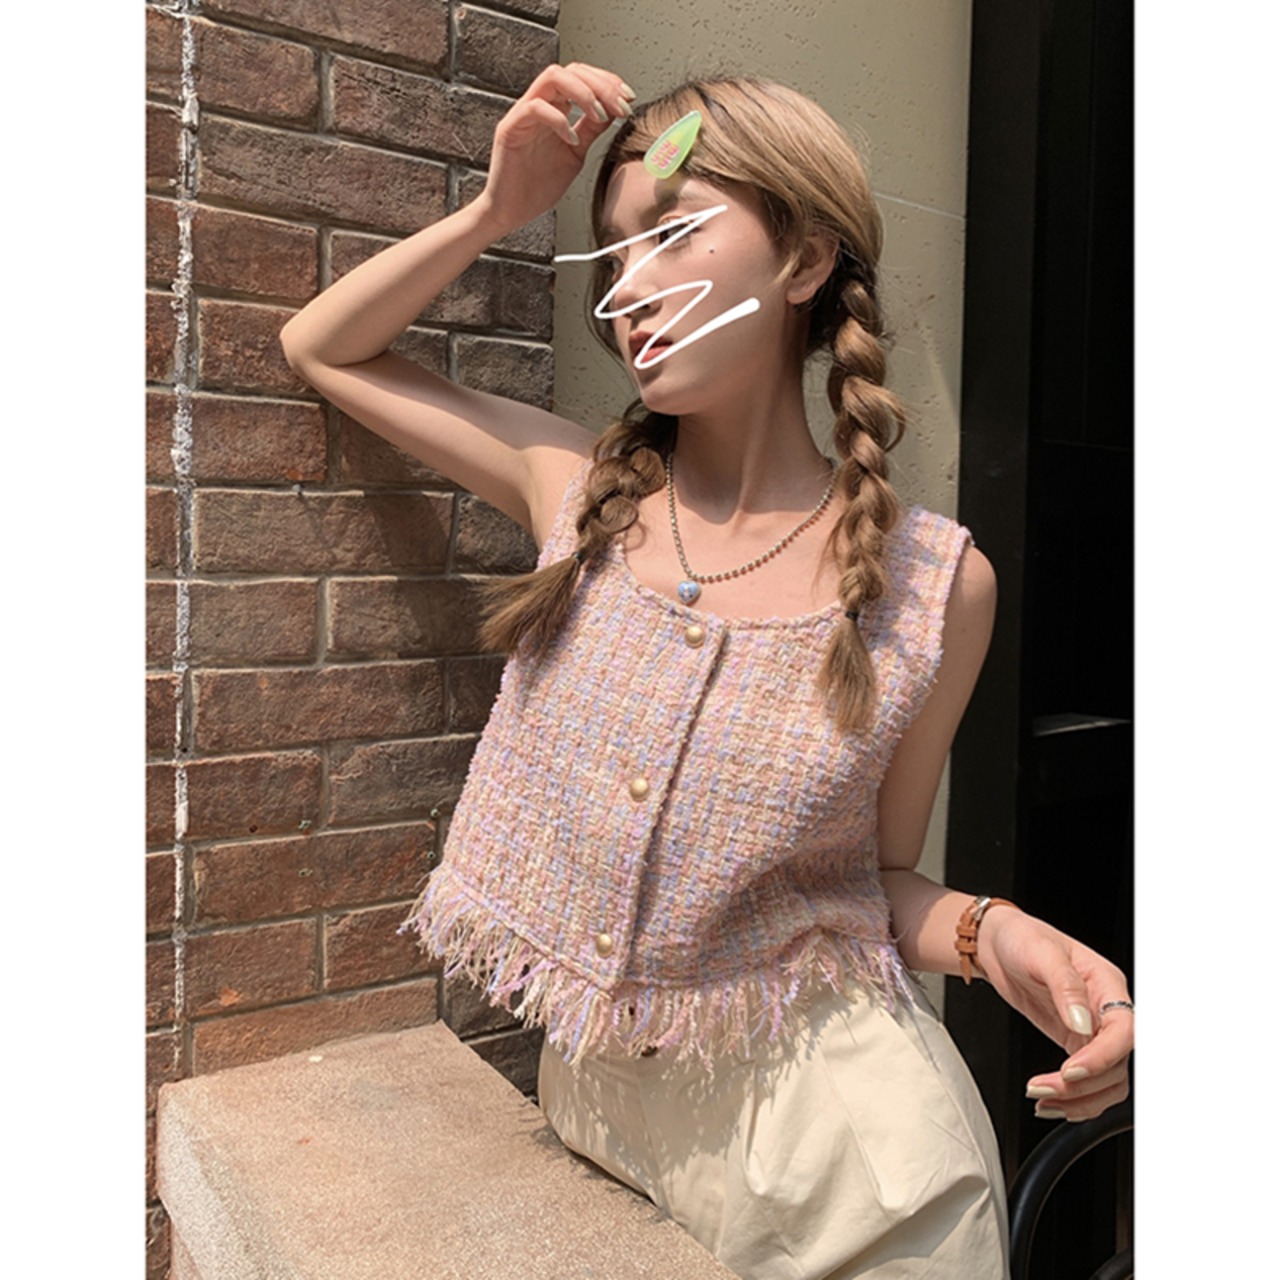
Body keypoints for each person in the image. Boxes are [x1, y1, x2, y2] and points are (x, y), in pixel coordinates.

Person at [280, 64, 1133, 1280]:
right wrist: (497, 210)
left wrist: (994, 933)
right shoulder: (575, 496)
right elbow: (323, 347)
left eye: (673, 232)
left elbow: (868, 879)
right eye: (613, 254)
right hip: (600, 1121)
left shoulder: (934, 585)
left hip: (850, 1176)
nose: (629, 287)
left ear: (802, 260)